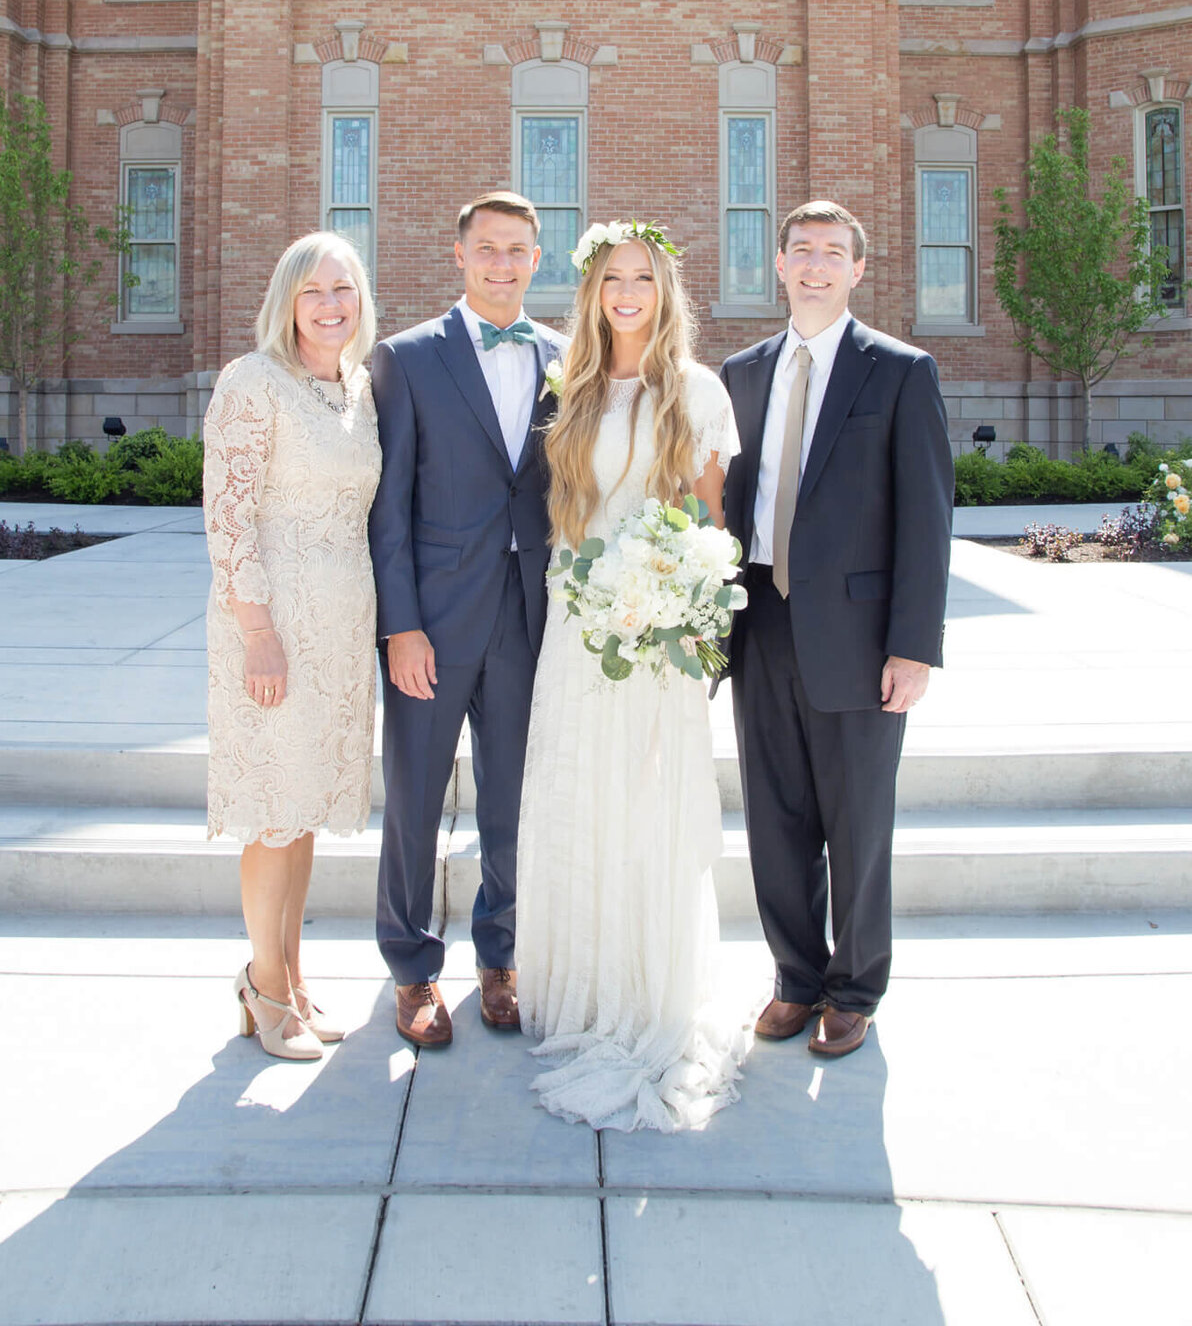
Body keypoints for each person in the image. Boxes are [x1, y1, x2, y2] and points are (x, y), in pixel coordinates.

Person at [516, 222, 744, 1132]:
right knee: (580, 800)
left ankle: (652, 993)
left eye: (642, 277)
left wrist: (672, 608)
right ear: (592, 290)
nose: (626, 292)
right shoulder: (571, 390)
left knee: (647, 807)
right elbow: (566, 520)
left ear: (664, 289)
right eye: (613, 277)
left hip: (653, 637)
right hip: (578, 633)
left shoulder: (695, 391)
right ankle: (583, 984)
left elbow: (710, 528)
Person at [721, 200, 953, 1059]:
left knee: (857, 820)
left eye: (833, 253)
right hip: (761, 625)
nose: (815, 266)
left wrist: (915, 644)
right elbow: (727, 503)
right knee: (775, 816)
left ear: (858, 270)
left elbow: (927, 520)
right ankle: (794, 977)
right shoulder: (741, 374)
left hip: (860, 638)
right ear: (777, 265)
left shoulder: (898, 372)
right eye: (801, 251)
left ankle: (854, 988)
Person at [368, 192, 567, 1049]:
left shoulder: (568, 356)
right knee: (414, 798)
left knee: (516, 800)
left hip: (532, 619)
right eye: (486, 248)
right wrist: (400, 625)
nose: (501, 263)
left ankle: (503, 954)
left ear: (536, 257)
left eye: (517, 249)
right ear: (459, 255)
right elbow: (388, 509)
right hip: (435, 623)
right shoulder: (406, 359)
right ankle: (412, 970)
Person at [203, 230, 381, 1060]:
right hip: (271, 624)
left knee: (304, 810)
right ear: (287, 302)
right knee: (273, 811)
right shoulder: (252, 383)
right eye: (314, 292)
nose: (331, 305)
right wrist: (257, 631)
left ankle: (293, 981)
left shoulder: (356, 390)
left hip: (341, 629)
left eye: (343, 290)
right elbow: (228, 517)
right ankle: (262, 988)